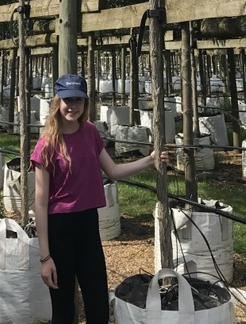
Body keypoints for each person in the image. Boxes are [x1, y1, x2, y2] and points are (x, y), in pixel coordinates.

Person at [30, 73, 169, 324]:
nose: (72, 106)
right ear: (57, 102)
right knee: (63, 311)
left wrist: (150, 160)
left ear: (86, 103)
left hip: (88, 225)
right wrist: (45, 257)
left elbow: (113, 171)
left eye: (79, 100)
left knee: (98, 306)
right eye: (67, 99)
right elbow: (40, 203)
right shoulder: (47, 145)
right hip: (59, 228)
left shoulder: (90, 132)